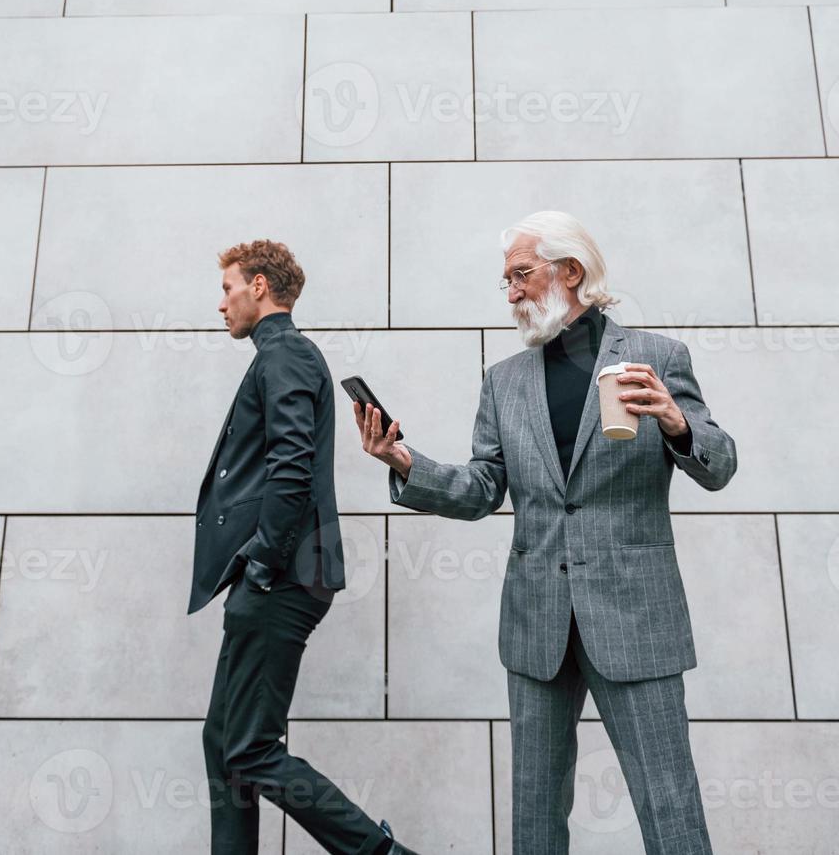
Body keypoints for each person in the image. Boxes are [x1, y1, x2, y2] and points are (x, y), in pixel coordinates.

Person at [355, 212, 737, 854]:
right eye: (504, 280)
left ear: (571, 272)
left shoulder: (657, 357)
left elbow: (720, 465)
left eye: (521, 275)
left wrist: (675, 422)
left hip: (634, 617)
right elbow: (482, 488)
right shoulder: (504, 382)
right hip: (536, 623)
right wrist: (405, 463)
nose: (510, 293)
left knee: (668, 799)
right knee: (533, 813)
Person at [191, 239, 416, 855]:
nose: (221, 304)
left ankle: (379, 853)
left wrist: (261, 562)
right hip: (280, 572)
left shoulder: (284, 353)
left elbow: (292, 465)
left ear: (259, 286)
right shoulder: (280, 355)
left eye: (229, 288)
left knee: (252, 748)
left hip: (282, 575)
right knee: (225, 742)